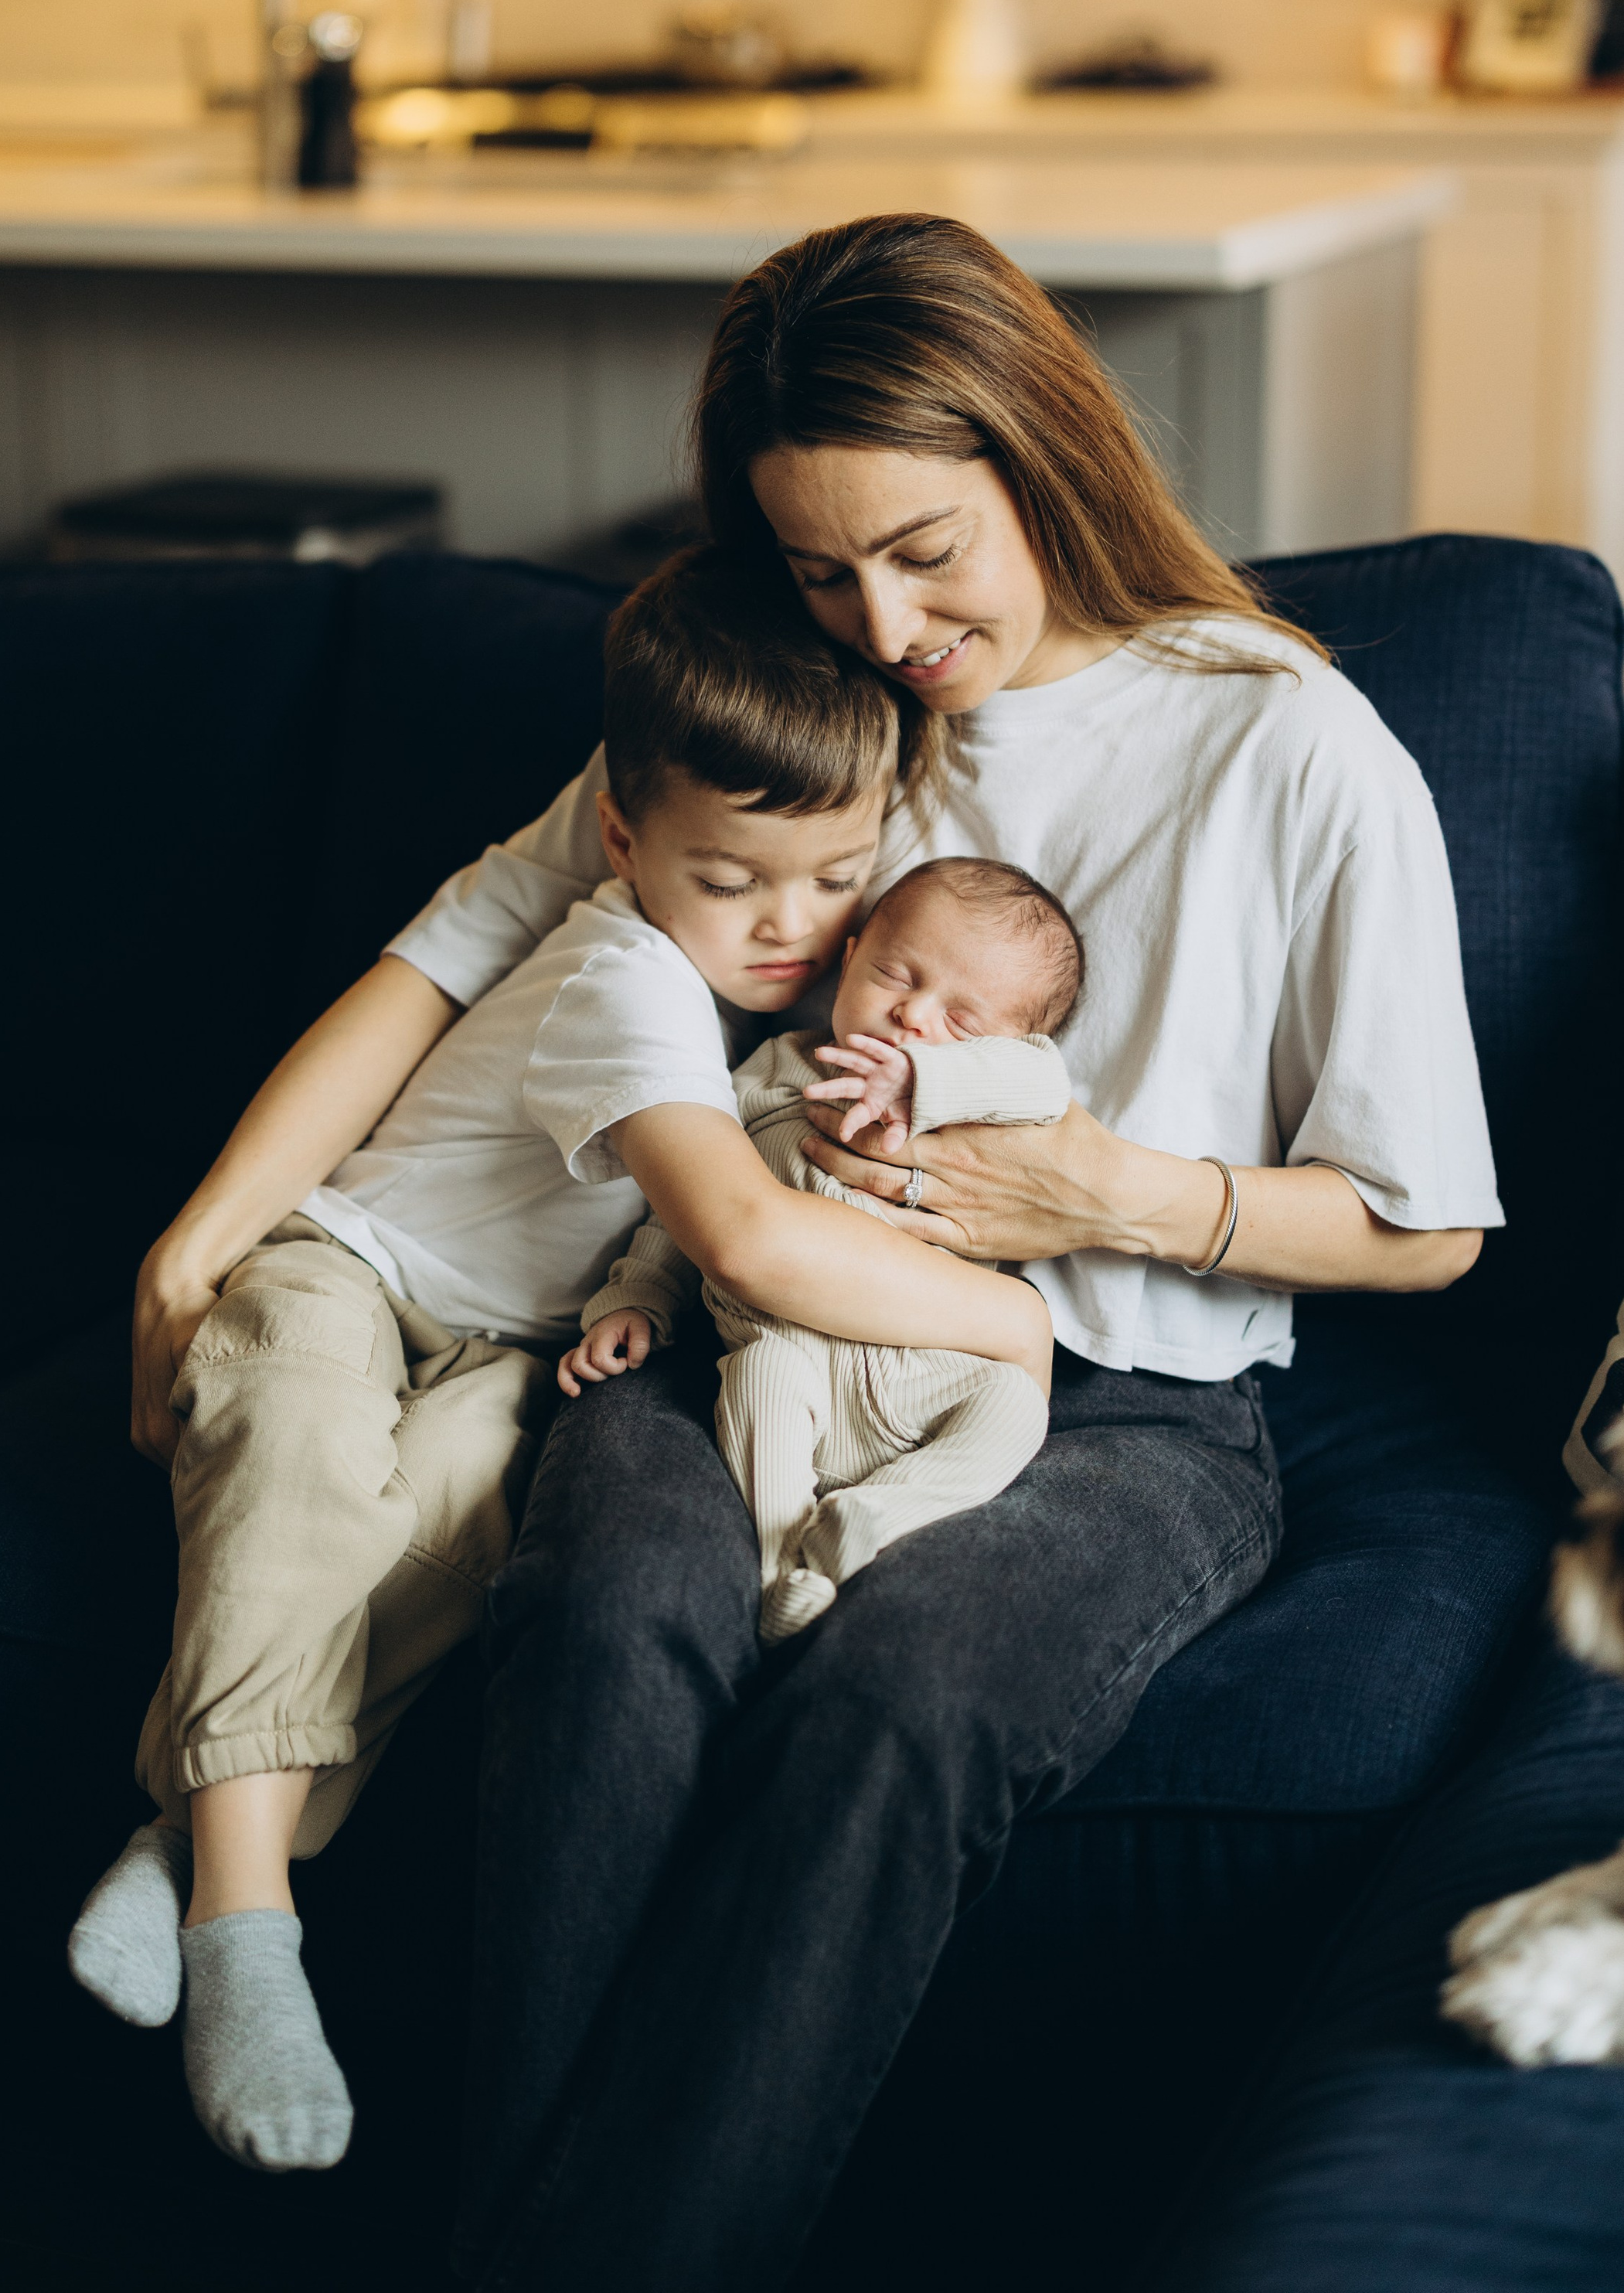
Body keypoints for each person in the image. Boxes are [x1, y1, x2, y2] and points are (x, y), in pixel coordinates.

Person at [127, 209, 1499, 2290]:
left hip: (1119, 1392)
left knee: (898, 1701)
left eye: (927, 550)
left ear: (1045, 456)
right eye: (819, 565)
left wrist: (1106, 1197)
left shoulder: (1284, 742)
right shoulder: (798, 709)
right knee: (598, 1620)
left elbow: (1429, 1229)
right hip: (731, 1317)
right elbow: (455, 946)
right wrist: (202, 1242)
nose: (881, 617)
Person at [84, 545, 1047, 2175]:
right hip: (353, 1261)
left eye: (828, 883)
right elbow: (736, 1227)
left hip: (507, 1333)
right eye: (733, 879)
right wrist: (1014, 1325)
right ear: (618, 834)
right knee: (301, 1471)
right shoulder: (630, 974)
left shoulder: (795, 990)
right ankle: (245, 1928)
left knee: (453, 1536)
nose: (786, 929)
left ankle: (181, 1834)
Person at [562, 855, 1081, 1640]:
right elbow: (683, 1205)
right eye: (896, 976)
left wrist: (927, 1084)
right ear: (848, 961)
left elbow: (1044, 1082)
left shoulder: (986, 1118)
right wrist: (637, 1296)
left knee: (1012, 1407)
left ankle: (869, 1521)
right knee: (760, 1378)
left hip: (935, 1375)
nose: (913, 1018)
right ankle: (783, 1567)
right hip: (790, 1356)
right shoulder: (769, 1074)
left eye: (963, 1023)